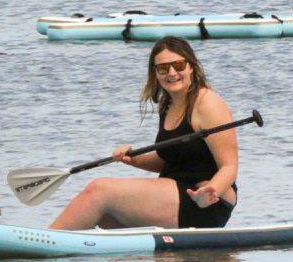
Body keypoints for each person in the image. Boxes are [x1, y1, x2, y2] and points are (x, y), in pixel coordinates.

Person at [49, 36, 240, 230]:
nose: (172, 73)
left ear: (191, 67)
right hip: (176, 193)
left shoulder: (207, 102)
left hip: (205, 202)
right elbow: (171, 159)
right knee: (104, 216)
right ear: (155, 73)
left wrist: (210, 192)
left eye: (179, 65)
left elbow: (229, 166)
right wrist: (132, 159)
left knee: (99, 190)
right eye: (163, 68)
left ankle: (45, 242)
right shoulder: (168, 104)